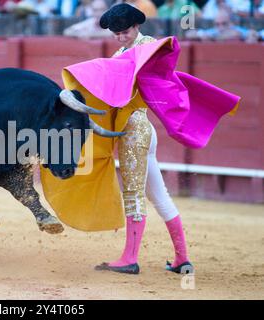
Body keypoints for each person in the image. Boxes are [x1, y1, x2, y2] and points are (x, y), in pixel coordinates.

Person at [93, 3, 193, 274]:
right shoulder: (120, 52)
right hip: (136, 129)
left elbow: (154, 59)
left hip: (135, 130)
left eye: (125, 31)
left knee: (133, 192)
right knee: (159, 196)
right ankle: (182, 259)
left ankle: (130, 258)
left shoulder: (147, 45)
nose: (121, 37)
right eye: (116, 33)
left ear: (137, 26)